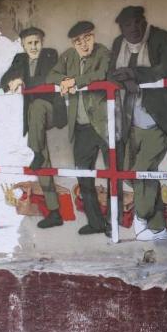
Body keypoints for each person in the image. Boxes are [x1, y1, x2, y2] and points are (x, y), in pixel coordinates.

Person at [109, 6, 167, 242]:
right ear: (121, 28)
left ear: (144, 22)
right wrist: (124, 79)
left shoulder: (160, 38)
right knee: (136, 175)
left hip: (157, 119)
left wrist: (133, 74)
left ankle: (141, 218)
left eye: (138, 22)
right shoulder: (118, 44)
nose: (134, 28)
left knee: (142, 172)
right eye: (128, 24)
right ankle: (158, 227)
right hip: (130, 122)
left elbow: (164, 70)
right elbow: (110, 73)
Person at [46, 21, 112, 235]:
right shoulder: (68, 56)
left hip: (105, 125)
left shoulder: (103, 52)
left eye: (87, 38)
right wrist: (65, 80)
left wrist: (73, 82)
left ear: (94, 36)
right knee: (83, 176)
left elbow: (101, 74)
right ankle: (96, 223)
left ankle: (112, 223)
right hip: (82, 127)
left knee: (114, 175)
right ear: (73, 44)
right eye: (77, 41)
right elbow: (51, 76)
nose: (83, 44)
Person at [0, 27, 66, 229]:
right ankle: (54, 212)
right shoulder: (20, 59)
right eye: (29, 43)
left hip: (51, 110)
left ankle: (35, 152)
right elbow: (4, 80)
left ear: (42, 42)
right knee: (43, 162)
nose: (34, 46)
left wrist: (23, 80)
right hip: (35, 120)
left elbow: (47, 79)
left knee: (37, 105)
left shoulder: (50, 55)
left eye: (36, 42)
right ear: (23, 45)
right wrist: (12, 80)